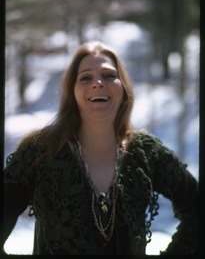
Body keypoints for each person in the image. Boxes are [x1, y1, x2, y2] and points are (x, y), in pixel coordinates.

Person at [2, 41, 198, 255]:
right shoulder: (39, 151)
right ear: (72, 91)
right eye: (85, 77)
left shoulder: (147, 153)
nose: (97, 83)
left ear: (123, 87)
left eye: (108, 75)